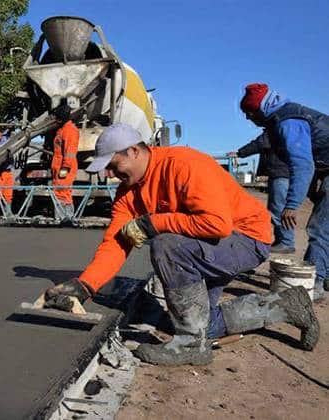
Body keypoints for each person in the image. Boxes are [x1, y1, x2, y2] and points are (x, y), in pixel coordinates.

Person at [43, 123, 319, 366]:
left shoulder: (184, 165)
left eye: (114, 165)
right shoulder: (127, 192)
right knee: (203, 324)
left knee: (166, 246)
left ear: (134, 151)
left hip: (246, 238)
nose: (111, 175)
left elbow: (218, 224)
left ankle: (189, 345)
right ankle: (287, 305)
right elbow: (117, 241)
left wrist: (155, 223)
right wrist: (85, 285)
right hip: (209, 246)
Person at [240, 83, 329, 297]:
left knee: (319, 228)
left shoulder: (289, 122)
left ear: (259, 110)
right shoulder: (284, 116)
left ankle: (312, 285)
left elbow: (303, 164)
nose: (248, 119)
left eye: (249, 113)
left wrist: (291, 204)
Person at [229, 131, 294, 253]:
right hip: (282, 173)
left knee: (277, 209)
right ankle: (282, 240)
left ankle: (286, 242)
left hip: (280, 173)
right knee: (277, 208)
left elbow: (259, 143)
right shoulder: (284, 129)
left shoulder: (274, 129)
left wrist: (239, 153)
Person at [51, 102, 79, 220]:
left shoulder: (69, 131)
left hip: (64, 167)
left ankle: (64, 219)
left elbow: (70, 151)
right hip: (59, 166)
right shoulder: (63, 129)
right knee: (62, 193)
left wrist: (65, 167)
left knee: (62, 193)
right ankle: (66, 218)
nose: (55, 119)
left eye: (57, 117)